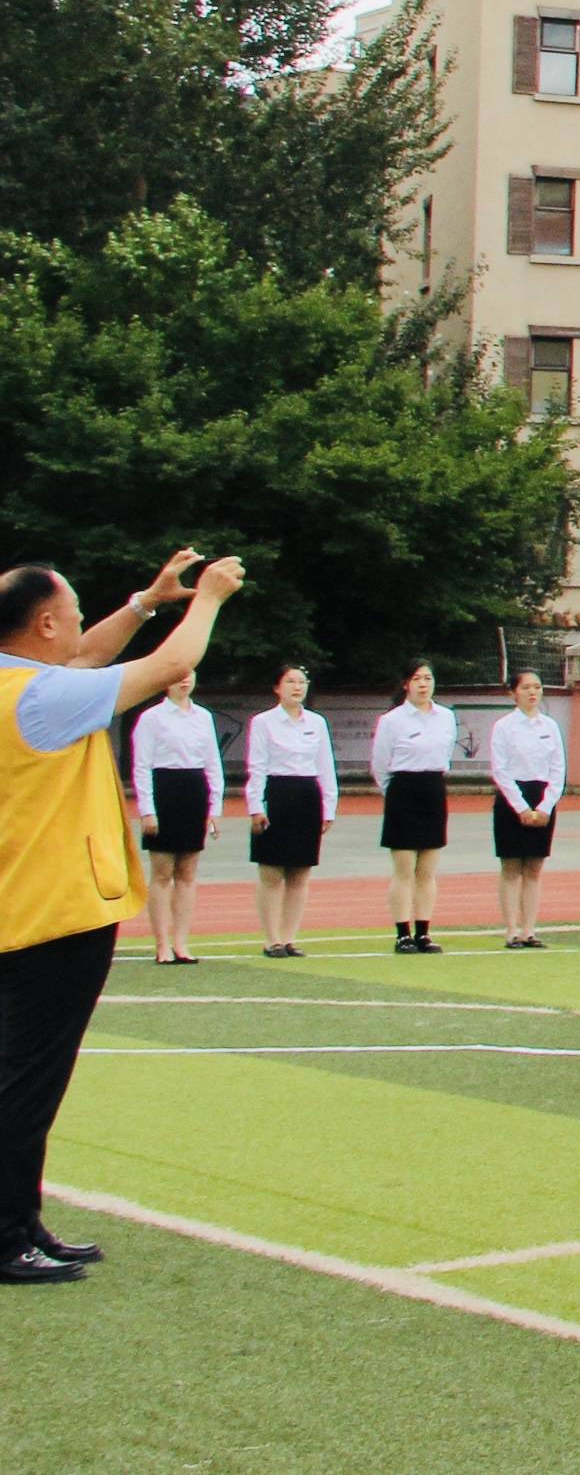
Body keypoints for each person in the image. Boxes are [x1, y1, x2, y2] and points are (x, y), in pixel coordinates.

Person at [1, 549, 244, 1283]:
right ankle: (5, 1232)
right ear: (44, 622)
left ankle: (21, 1216)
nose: (80, 622)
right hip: (53, 911)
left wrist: (143, 602)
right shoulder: (40, 697)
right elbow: (170, 666)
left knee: (25, 1075)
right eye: (71, 611)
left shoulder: (23, 681)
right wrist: (207, 599)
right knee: (26, 1081)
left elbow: (86, 654)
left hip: (29, 905)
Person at [126, 673, 220, 966]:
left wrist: (213, 807)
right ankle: (162, 944)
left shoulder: (203, 717)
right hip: (164, 789)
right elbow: (141, 766)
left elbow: (212, 762)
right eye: (178, 676)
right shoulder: (151, 718)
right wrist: (147, 810)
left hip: (193, 790)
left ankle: (181, 942)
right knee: (163, 872)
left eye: (189, 675)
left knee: (188, 872)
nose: (184, 681)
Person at [242, 663, 334, 957]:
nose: (297, 687)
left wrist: (328, 807)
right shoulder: (263, 722)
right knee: (271, 872)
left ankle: (289, 937)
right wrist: (255, 805)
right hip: (276, 794)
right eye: (291, 681)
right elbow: (256, 767)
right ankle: (271, 940)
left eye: (302, 682)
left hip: (307, 795)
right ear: (277, 687)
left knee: (300, 872)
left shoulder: (317, 723)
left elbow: (325, 767)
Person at [371, 663, 460, 954]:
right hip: (402, 790)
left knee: (428, 868)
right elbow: (381, 765)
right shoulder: (392, 721)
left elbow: (444, 756)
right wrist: (395, 794)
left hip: (433, 788)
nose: (423, 684)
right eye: (417, 679)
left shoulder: (446, 717)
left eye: (428, 678)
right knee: (404, 868)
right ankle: (402, 933)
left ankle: (424, 931)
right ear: (406, 684)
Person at [487, 670, 566, 948]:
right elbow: (500, 769)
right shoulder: (504, 727)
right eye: (526, 688)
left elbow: (558, 770)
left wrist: (545, 805)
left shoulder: (550, 726)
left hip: (542, 797)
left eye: (537, 687)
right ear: (513, 693)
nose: (532, 693)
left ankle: (529, 930)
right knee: (511, 867)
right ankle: (511, 930)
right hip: (512, 798)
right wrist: (520, 806)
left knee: (533, 868)